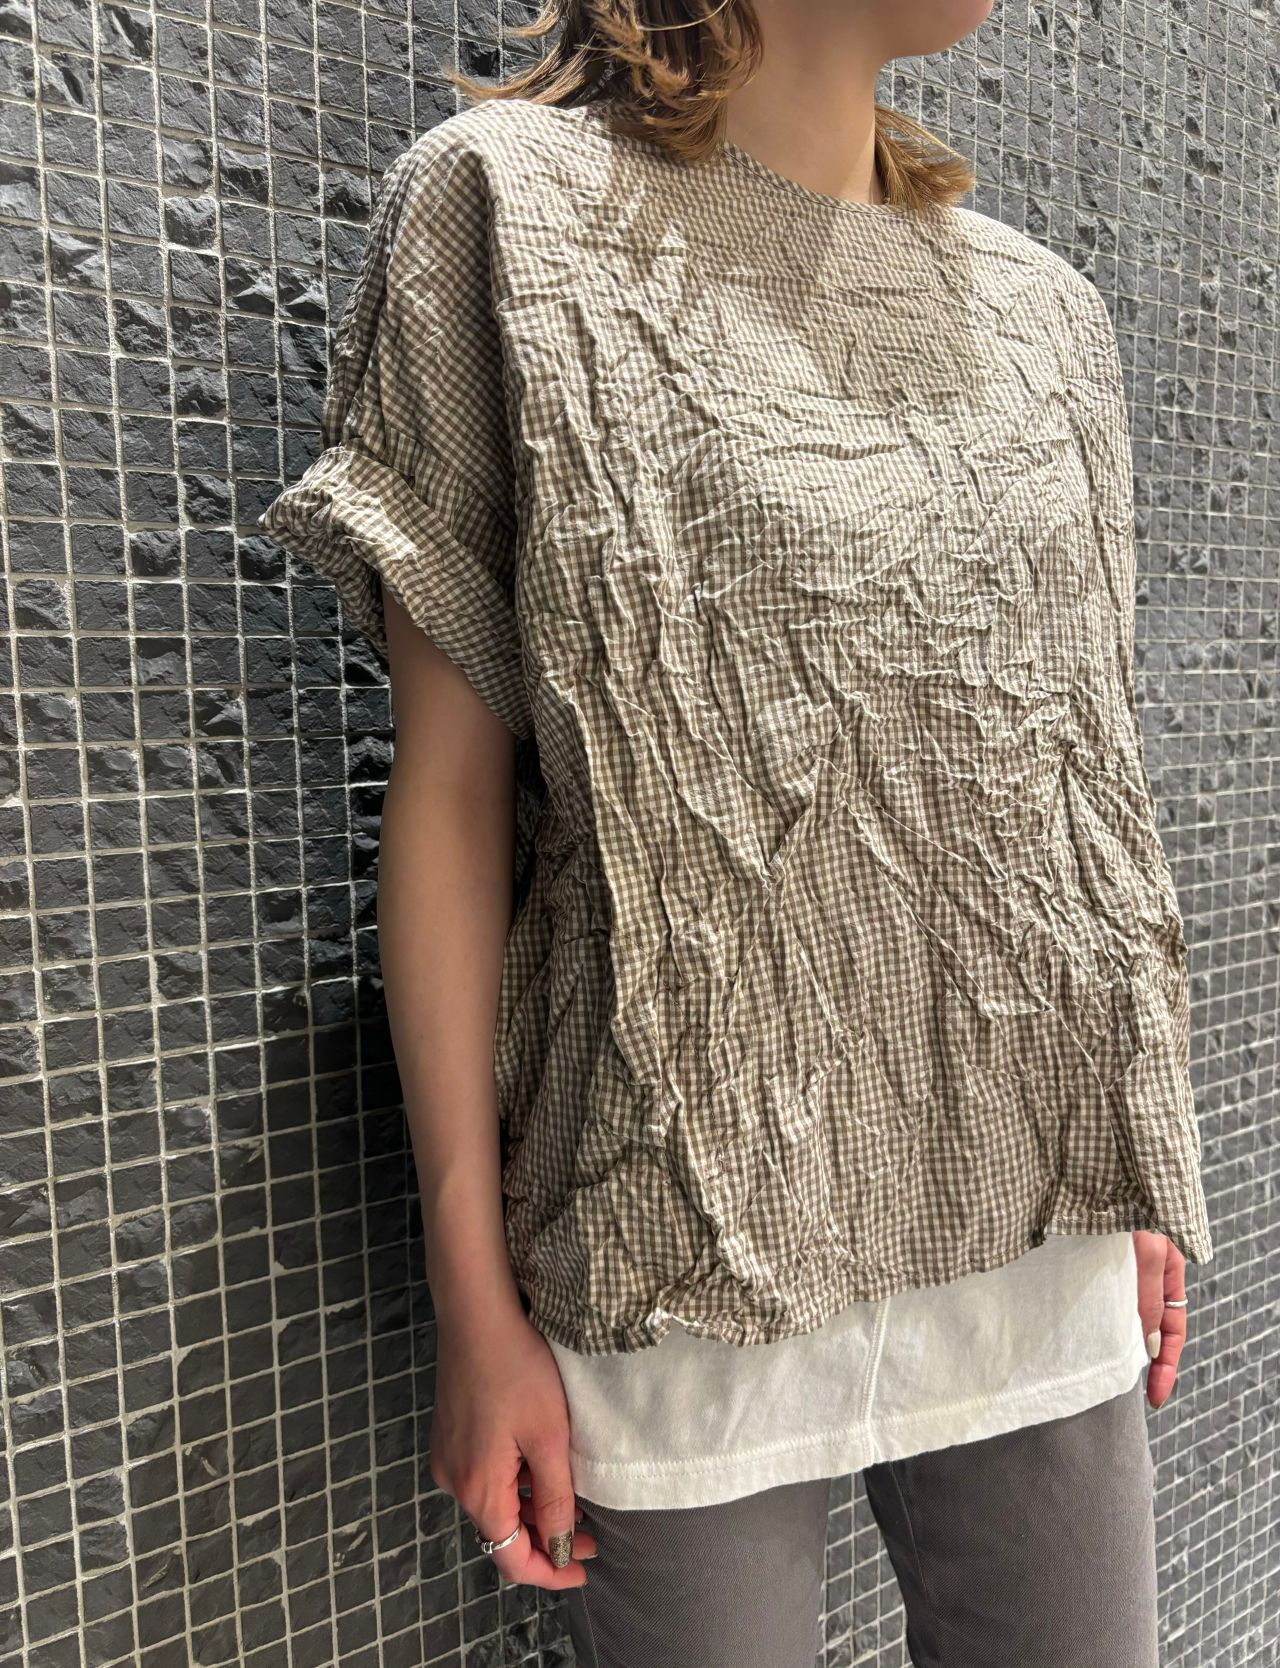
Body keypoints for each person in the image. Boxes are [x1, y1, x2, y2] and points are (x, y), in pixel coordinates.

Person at [257, 3, 1213, 1663]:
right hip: (679, 1230)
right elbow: (454, 798)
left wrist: (1123, 1154)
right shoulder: (510, 213)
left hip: (1034, 1233)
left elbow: (1076, 785)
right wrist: (473, 1300)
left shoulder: (1045, 314)